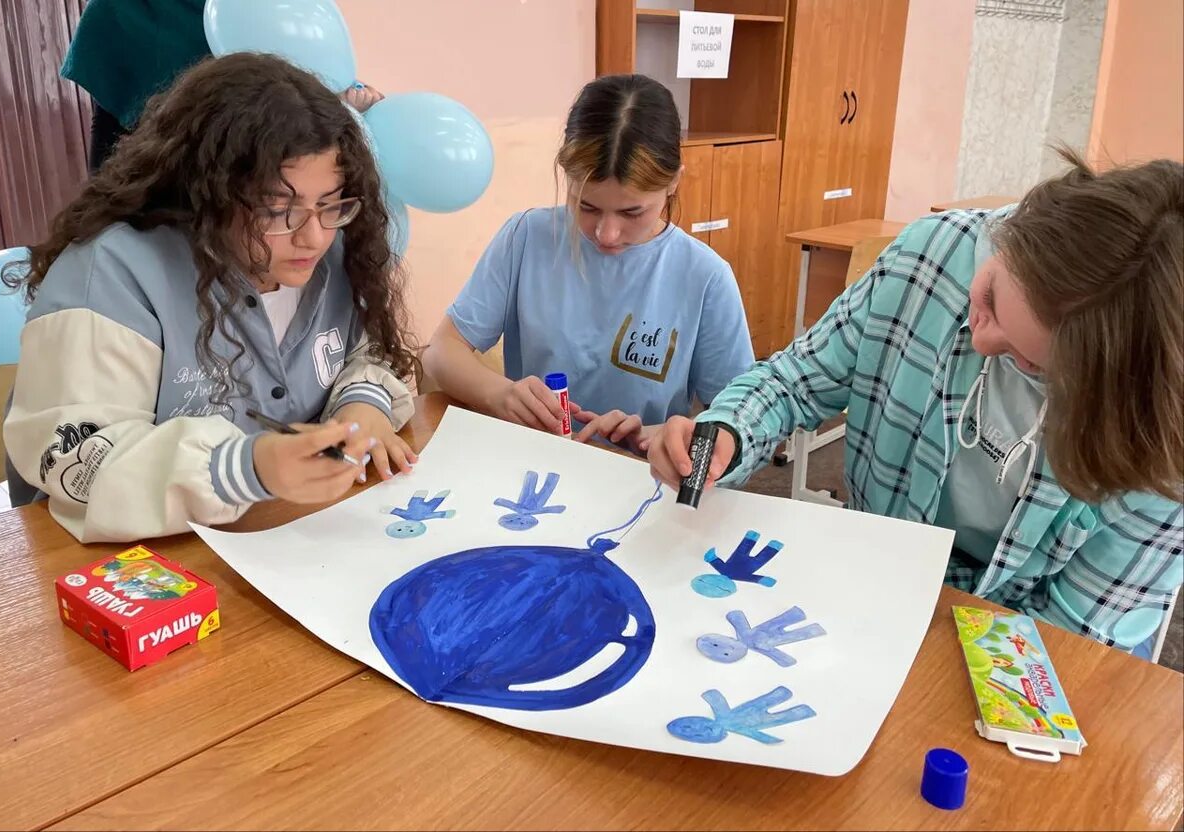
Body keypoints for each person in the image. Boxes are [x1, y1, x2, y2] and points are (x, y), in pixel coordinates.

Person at [649, 151, 1183, 655]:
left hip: (1012, 628)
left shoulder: (1161, 446)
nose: (982, 342)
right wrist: (729, 432)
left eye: (1031, 364)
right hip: (875, 573)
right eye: (990, 297)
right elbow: (794, 381)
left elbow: (1071, 642)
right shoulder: (936, 254)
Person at [3, 53, 417, 543]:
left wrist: (362, 402)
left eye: (331, 204)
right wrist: (241, 468)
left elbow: (367, 349)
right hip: (130, 569)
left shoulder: (335, 252)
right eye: (277, 210)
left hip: (284, 542)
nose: (315, 237)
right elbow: (80, 461)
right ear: (206, 193)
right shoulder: (112, 275)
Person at [422, 74, 754, 453]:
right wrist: (501, 394)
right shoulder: (527, 237)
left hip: (640, 479)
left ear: (674, 182)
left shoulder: (705, 277)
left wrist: (660, 434)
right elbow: (440, 352)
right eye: (587, 206)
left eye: (632, 212)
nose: (606, 234)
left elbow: (738, 420)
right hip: (534, 467)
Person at [61, 0, 384, 172]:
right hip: (161, 181)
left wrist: (339, 99)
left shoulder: (261, 8)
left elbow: (298, 65)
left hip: (253, 179)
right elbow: (111, 126)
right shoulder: (119, 9)